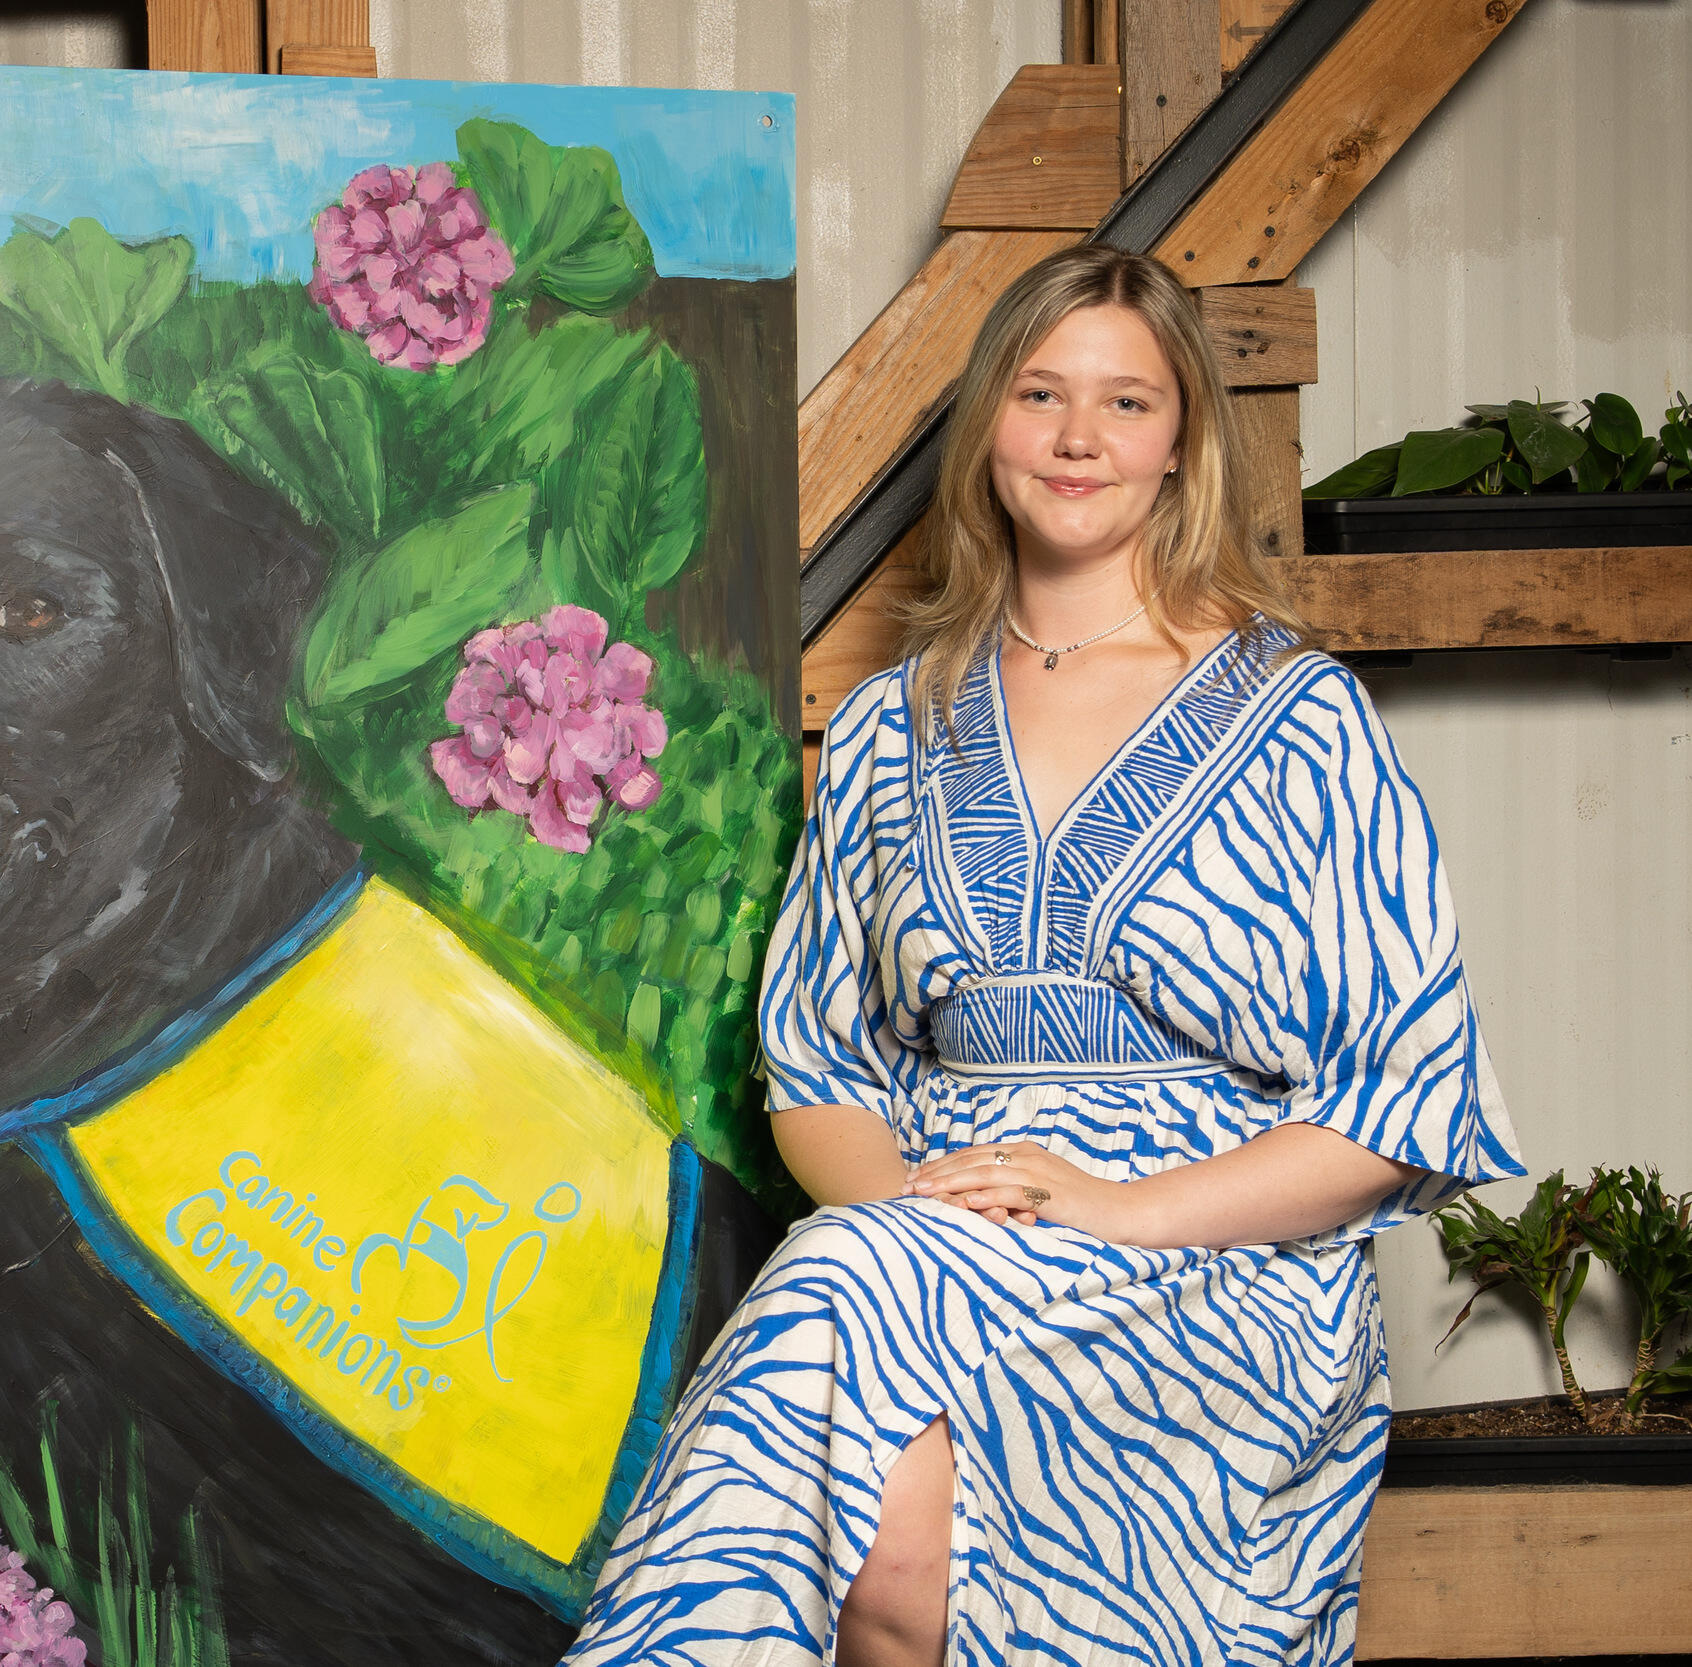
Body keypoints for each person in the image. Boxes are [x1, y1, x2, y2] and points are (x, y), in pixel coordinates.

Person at [559, 245, 1523, 1667]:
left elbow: (1401, 1105)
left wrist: (1107, 1211)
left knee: (847, 1356)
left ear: (1184, 440)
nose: (1080, 438)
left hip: (1213, 1264)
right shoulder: (887, 727)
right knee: (881, 1521)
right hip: (929, 1235)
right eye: (1041, 393)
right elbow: (817, 1065)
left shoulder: (1303, 717)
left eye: (1128, 403)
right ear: (989, 430)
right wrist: (938, 1231)